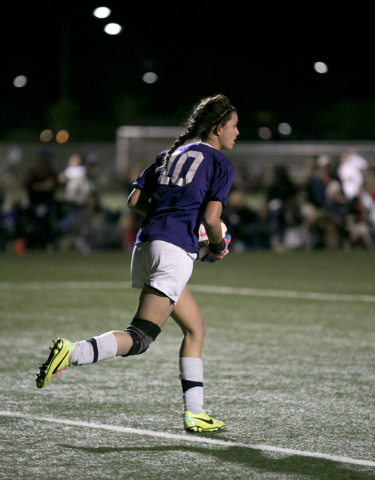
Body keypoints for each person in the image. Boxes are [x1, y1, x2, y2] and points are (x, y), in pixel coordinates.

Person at [36, 94, 239, 432]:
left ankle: (196, 412)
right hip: (173, 251)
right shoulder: (220, 163)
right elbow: (212, 217)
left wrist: (173, 219)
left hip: (147, 244)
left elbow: (134, 200)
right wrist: (217, 245)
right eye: (234, 126)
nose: (237, 132)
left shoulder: (168, 154)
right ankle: (72, 353)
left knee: (195, 327)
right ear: (218, 128)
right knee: (139, 338)